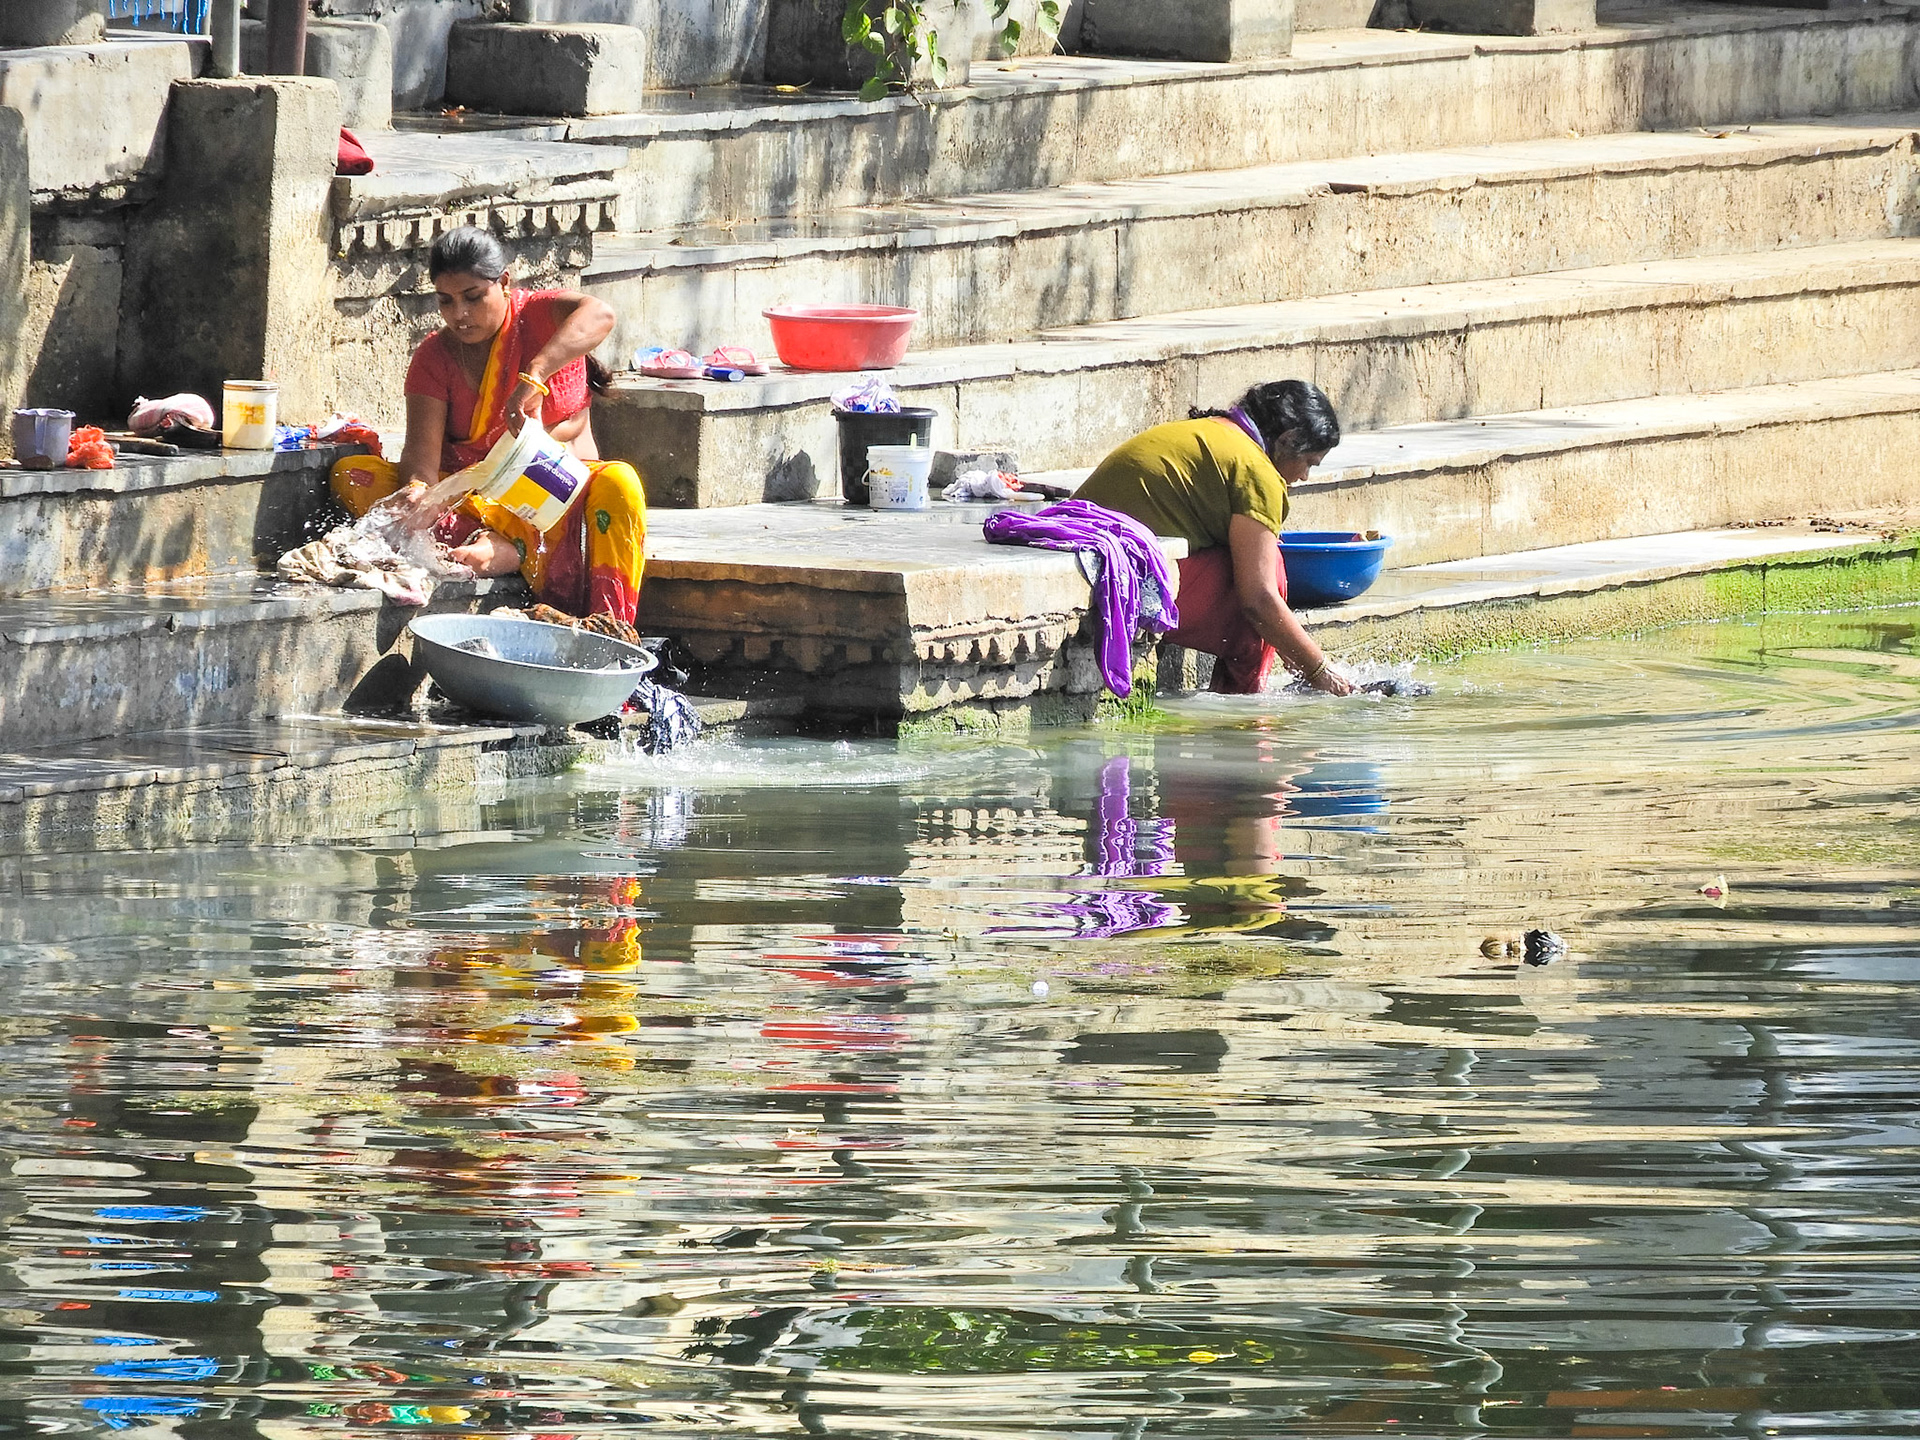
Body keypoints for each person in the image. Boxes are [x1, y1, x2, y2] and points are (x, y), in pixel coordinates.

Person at [328, 226, 647, 625]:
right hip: (471, 499)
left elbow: (601, 313)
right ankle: (503, 546)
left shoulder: (538, 317)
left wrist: (535, 373)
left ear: (505, 283)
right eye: (446, 301)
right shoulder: (435, 356)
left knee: (621, 482)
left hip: (556, 501)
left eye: (474, 298)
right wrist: (416, 492)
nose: (459, 315)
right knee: (352, 475)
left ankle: (609, 631)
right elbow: (421, 456)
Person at [1074, 380, 1354, 696]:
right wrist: (1320, 670)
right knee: (1267, 583)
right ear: (1288, 440)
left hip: (1084, 550)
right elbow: (1259, 600)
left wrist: (1292, 644)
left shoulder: (1212, 431)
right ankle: (1244, 716)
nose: (1304, 477)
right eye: (1308, 463)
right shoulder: (1257, 472)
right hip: (1109, 577)